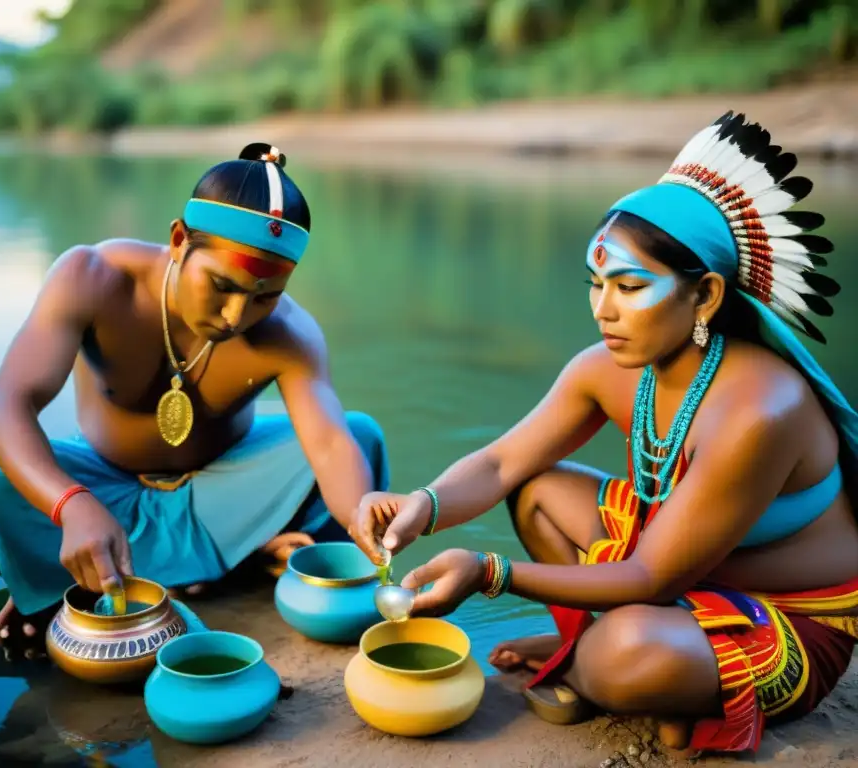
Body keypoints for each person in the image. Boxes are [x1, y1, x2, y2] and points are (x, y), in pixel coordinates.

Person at [351, 112, 858, 756]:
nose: (602, 309)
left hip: (785, 618)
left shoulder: (760, 409)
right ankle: (615, 663)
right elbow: (506, 462)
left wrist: (490, 571)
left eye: (629, 286)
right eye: (595, 285)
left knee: (629, 658)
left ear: (704, 296)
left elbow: (650, 575)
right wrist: (422, 507)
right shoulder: (611, 369)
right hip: (676, 577)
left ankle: (603, 663)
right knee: (538, 489)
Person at [0, 143, 389, 660]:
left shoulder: (291, 334)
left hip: (221, 486)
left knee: (361, 439)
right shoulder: (92, 278)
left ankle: (90, 584)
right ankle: (218, 565)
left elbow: (329, 446)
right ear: (178, 240)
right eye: (222, 285)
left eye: (265, 297)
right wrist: (71, 506)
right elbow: (4, 414)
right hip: (100, 483)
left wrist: (363, 522)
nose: (237, 316)